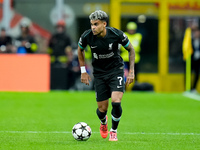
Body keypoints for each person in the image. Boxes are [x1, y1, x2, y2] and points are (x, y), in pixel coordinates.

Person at [78, 10, 135, 141]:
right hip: (99, 73)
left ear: (104, 24)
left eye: (96, 24)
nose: (93, 27)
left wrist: (131, 71)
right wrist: (83, 71)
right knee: (102, 109)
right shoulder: (87, 36)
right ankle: (103, 122)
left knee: (116, 101)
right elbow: (80, 49)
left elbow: (131, 49)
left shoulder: (116, 34)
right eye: (92, 24)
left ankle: (113, 130)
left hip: (116, 70)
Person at [121, 22, 142, 88]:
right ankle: (124, 87)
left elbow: (136, 47)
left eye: (132, 29)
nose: (131, 31)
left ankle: (136, 87)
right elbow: (122, 47)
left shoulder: (138, 36)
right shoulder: (124, 35)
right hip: (125, 58)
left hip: (135, 59)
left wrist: (129, 48)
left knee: (135, 73)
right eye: (130, 29)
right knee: (124, 74)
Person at [191, 27, 200, 92]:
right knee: (188, 74)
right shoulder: (190, 41)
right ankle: (188, 88)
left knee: (197, 74)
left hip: (198, 61)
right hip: (191, 61)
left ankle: (194, 88)